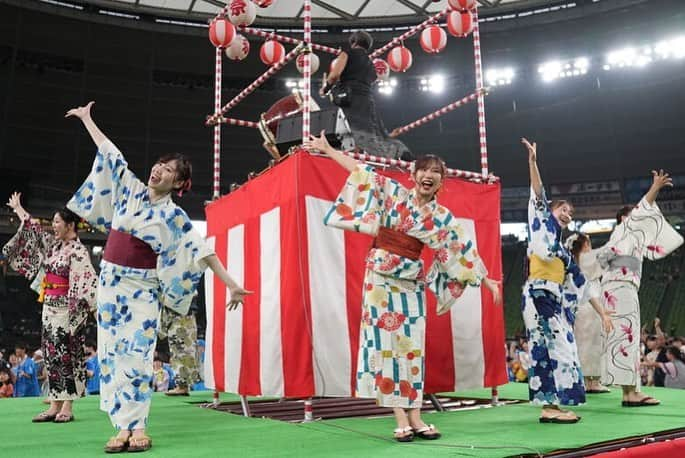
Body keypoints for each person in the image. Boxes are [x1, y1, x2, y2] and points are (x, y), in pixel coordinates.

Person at [65, 101, 251, 453]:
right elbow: (109, 154)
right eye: (159, 165)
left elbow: (201, 251)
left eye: (169, 171)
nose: (159, 171)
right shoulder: (130, 189)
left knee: (136, 356)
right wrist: (88, 119)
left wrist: (231, 283)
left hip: (140, 289)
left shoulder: (175, 217)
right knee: (111, 356)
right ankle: (120, 426)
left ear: (178, 183)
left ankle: (138, 427)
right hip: (110, 285)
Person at [302, 132, 501, 442]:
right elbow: (359, 172)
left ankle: (417, 415)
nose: (430, 176)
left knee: (411, 351)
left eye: (436, 173)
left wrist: (485, 279)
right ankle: (400, 417)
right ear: (413, 173)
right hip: (380, 280)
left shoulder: (442, 218)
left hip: (410, 283)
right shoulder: (393, 193)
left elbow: (461, 249)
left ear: (441, 182)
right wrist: (328, 150)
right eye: (425, 170)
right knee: (387, 349)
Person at [3, 196, 97, 421]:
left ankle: (67, 406)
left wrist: (91, 310)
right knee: (51, 354)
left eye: (57, 222)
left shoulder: (78, 251)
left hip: (67, 308)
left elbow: (88, 283)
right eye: (53, 222)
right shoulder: (53, 245)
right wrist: (18, 209)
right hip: (49, 305)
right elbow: (33, 229)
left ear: (70, 225)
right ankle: (54, 404)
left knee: (66, 355)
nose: (53, 226)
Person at [599, 170, 683, 407]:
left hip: (615, 289)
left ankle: (628, 393)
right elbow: (641, 211)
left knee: (623, 341)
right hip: (621, 289)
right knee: (627, 339)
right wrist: (655, 187)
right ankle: (631, 392)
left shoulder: (623, 240)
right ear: (624, 219)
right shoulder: (625, 230)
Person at [520, 138, 589, 424]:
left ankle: (549, 406)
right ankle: (553, 405)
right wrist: (533, 163)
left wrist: (570, 305)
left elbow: (580, 280)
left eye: (571, 213)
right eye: (563, 209)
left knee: (545, 347)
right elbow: (538, 192)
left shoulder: (561, 249)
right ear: (550, 209)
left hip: (549, 295)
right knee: (558, 346)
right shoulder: (541, 223)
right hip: (539, 292)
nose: (567, 214)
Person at [320, 30, 411, 159]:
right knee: (369, 135)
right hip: (367, 101)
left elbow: (335, 75)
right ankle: (400, 154)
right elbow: (372, 79)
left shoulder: (347, 53)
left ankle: (351, 164)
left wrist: (326, 88)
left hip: (350, 99)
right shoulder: (371, 65)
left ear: (354, 42)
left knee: (349, 135)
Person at [566, 232, 614, 393]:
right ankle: (594, 382)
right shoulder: (589, 258)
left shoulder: (573, 260)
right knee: (594, 343)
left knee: (582, 343)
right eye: (588, 242)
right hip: (592, 300)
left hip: (580, 302)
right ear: (585, 244)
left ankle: (586, 380)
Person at [159, 307, 199, 396]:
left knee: (180, 352)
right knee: (186, 351)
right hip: (187, 314)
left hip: (178, 315)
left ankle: (182, 386)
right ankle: (183, 386)